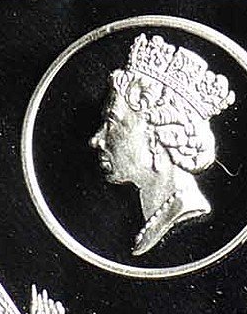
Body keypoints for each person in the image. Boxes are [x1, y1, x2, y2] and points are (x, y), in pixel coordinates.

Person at [91, 33, 234, 256]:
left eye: (111, 122)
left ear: (156, 136)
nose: (96, 139)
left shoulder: (187, 223)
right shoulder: (141, 215)